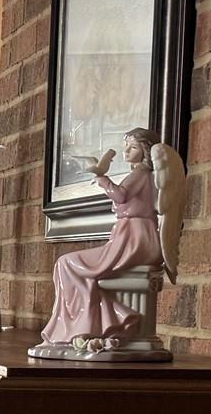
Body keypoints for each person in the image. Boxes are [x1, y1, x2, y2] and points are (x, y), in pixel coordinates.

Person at [38, 127, 163, 347]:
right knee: (66, 265)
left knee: (66, 263)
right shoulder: (145, 176)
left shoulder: (141, 174)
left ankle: (85, 325)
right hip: (137, 236)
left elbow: (121, 195)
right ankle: (97, 322)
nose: (126, 151)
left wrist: (102, 178)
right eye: (126, 145)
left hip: (133, 238)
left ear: (145, 150)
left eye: (132, 146)